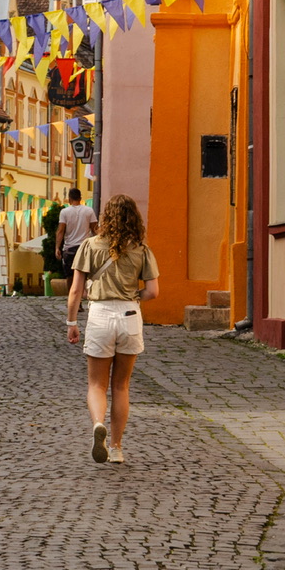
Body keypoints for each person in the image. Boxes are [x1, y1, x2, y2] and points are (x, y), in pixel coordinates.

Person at [65, 194, 159, 464]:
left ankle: (98, 424)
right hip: (129, 315)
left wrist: (72, 323)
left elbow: (76, 290)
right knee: (121, 386)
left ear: (106, 217)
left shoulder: (89, 245)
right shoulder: (141, 249)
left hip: (100, 315)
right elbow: (153, 291)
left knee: (96, 384)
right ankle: (116, 448)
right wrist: (134, 296)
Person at [56, 189, 96, 283]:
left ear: (69, 199)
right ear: (80, 198)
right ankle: (83, 291)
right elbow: (95, 229)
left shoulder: (64, 212)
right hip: (84, 247)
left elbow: (60, 231)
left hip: (69, 248)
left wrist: (57, 247)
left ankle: (71, 292)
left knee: (70, 276)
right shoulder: (89, 211)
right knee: (84, 276)